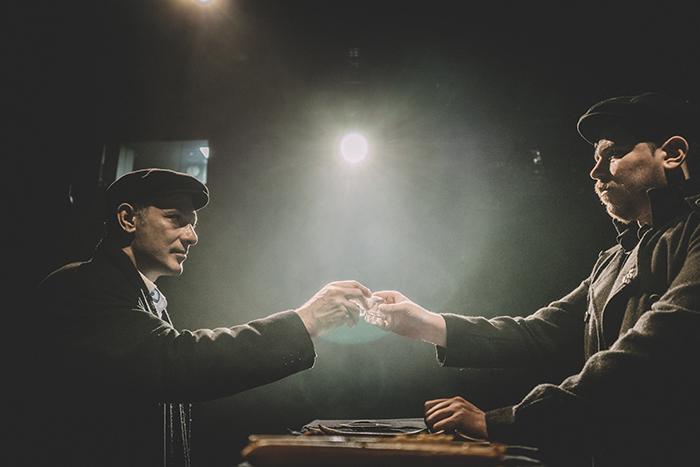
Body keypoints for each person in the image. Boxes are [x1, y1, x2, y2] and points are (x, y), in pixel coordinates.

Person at [371, 92, 700, 466]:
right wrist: (426, 324)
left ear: (673, 154)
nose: (595, 172)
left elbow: (657, 347)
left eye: (613, 154)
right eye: (595, 159)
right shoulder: (613, 259)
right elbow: (540, 333)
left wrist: (505, 420)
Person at [26, 168, 372, 467]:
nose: (192, 236)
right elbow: (175, 361)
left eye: (192, 224)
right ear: (128, 219)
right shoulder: (79, 286)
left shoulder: (140, 298)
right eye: (175, 218)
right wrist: (304, 321)